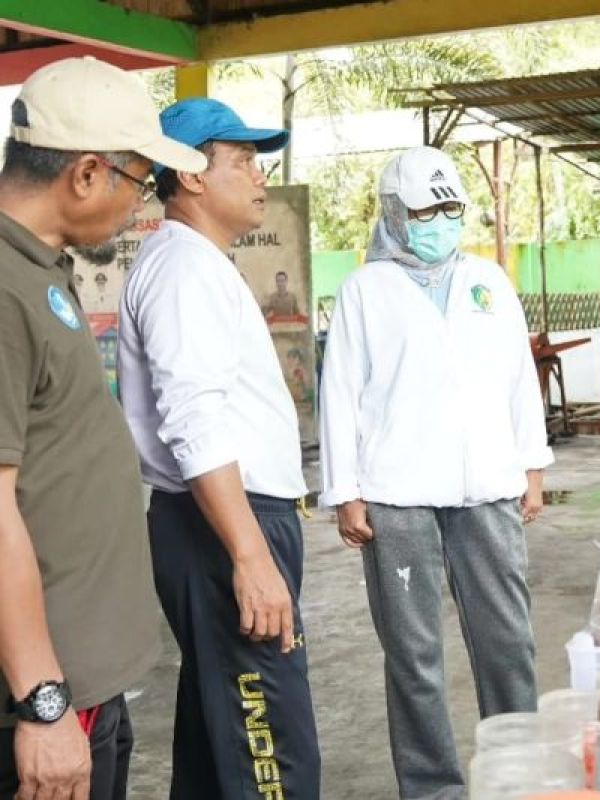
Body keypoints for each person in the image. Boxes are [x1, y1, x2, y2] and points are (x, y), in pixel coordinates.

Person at [0, 57, 206, 800]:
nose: (141, 204)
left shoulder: (37, 270)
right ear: (87, 173)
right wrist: (43, 703)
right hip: (43, 701)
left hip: (82, 680)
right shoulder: (3, 289)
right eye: (139, 180)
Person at [320, 146, 552, 800]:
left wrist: (530, 466)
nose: (441, 223)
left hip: (487, 489)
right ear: (395, 215)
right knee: (414, 656)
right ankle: (432, 788)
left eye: (452, 210)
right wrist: (345, 493)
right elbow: (339, 393)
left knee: (508, 641)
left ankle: (522, 775)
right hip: (396, 495)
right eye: (427, 210)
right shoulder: (365, 290)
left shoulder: (488, 281)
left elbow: (517, 381)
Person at [117, 98, 320, 799]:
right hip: (222, 524)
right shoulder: (184, 271)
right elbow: (193, 418)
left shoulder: (198, 263)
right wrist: (249, 555)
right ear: (192, 175)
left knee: (220, 734)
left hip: (228, 519)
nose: (259, 176)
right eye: (242, 161)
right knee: (271, 750)